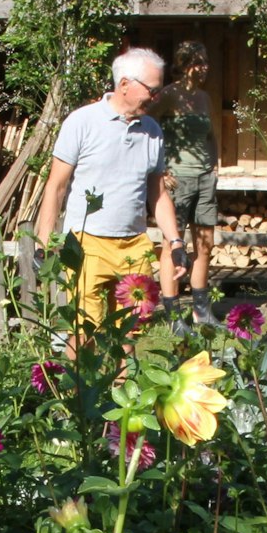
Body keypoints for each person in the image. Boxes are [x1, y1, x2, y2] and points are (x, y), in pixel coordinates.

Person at [36, 48, 184, 340]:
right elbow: (56, 186)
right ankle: (81, 387)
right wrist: (44, 242)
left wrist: (176, 240)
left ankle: (122, 384)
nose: (156, 97)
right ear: (125, 84)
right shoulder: (81, 122)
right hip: (86, 243)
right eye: (152, 90)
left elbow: (158, 194)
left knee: (131, 331)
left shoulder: (152, 130)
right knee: (84, 333)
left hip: (134, 245)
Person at [153, 40, 218, 324]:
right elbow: (149, 130)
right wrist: (161, 171)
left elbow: (210, 135)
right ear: (183, 66)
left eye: (205, 62)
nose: (203, 68)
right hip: (177, 181)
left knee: (205, 244)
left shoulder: (204, 98)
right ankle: (173, 315)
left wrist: (215, 167)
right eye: (197, 62)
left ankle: (201, 311)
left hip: (204, 179)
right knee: (172, 246)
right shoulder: (168, 96)